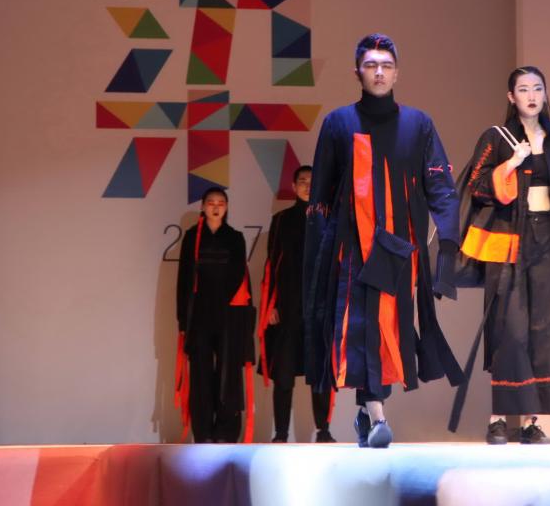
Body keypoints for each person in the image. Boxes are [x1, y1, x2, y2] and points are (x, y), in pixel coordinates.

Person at [302, 33, 462, 448]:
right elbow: (320, 195)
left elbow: (440, 186)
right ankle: (378, 417)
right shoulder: (338, 123)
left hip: (398, 247)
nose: (378, 72)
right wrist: (321, 258)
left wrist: (446, 243)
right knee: (360, 326)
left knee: (387, 328)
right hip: (351, 248)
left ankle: (366, 413)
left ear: (397, 73)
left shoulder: (418, 124)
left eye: (386, 66)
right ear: (357, 71)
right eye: (371, 65)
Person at [457, 66, 550, 445]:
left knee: (547, 329)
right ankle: (498, 420)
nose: (531, 96)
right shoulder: (497, 137)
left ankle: (533, 422)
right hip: (510, 242)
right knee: (509, 327)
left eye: (537, 88)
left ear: (545, 94)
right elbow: (476, 186)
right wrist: (511, 164)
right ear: (511, 97)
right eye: (523, 89)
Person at [257, 166, 335, 443]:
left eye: (312, 181)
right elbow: (272, 266)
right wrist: (271, 305)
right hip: (287, 308)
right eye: (302, 181)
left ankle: (324, 431)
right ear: (293, 185)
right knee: (283, 373)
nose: (307, 185)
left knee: (320, 373)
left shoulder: (329, 218)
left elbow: (335, 267)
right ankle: (280, 433)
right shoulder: (281, 220)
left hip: (319, 310)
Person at [176, 187, 255, 443]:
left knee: (228, 372)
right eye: (211, 202)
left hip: (228, 314)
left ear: (227, 207)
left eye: (221, 203)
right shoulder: (192, 237)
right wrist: (182, 319)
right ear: (203, 206)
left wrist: (227, 306)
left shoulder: (235, 238)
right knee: (200, 373)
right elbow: (184, 279)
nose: (216, 207)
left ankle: (226, 432)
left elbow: (238, 277)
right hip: (198, 315)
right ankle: (203, 432)